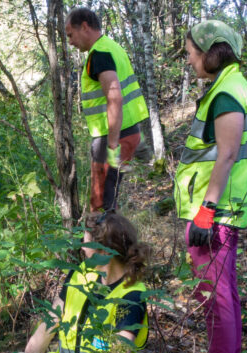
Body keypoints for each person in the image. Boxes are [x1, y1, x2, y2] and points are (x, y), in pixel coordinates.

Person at [173, 20, 247, 353]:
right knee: (224, 293)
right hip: (220, 208)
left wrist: (206, 210)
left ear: (211, 52)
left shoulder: (228, 92)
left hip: (216, 211)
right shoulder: (227, 86)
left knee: (214, 295)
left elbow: (226, 155)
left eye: (192, 53)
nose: (190, 61)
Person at [0, 213, 150, 353]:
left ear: (105, 252)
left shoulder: (131, 297)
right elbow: (51, 321)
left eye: (87, 244)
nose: (83, 248)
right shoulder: (81, 274)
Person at [64, 7, 150, 212]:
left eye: (70, 35)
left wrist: (112, 146)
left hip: (111, 137)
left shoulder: (99, 54)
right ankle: (107, 241)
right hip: (128, 130)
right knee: (108, 201)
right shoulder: (112, 46)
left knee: (100, 206)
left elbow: (114, 98)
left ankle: (100, 243)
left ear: (84, 27)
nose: (70, 42)